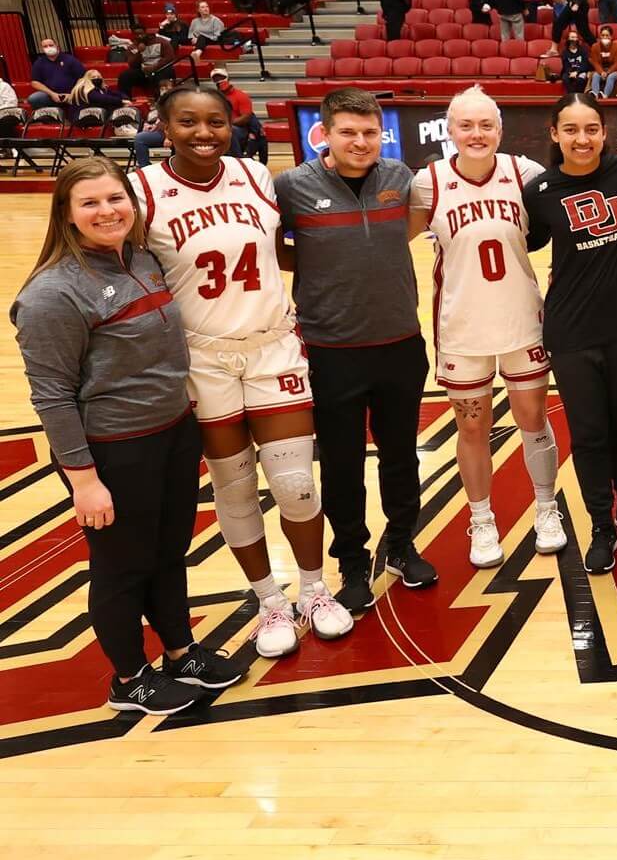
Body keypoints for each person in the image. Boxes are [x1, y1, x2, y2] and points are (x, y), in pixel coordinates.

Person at [12, 159, 248, 714]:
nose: (107, 211)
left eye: (115, 198)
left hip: (170, 433)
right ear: (66, 216)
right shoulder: (52, 294)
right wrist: (83, 479)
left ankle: (180, 652)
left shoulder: (141, 259)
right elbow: (50, 396)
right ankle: (128, 679)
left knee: (168, 554)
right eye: (89, 203)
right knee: (121, 568)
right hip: (114, 451)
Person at [131, 85, 351, 656]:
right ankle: (269, 602)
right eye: (187, 122)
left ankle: (313, 589)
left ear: (232, 125)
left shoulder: (256, 176)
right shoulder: (143, 193)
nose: (203, 133)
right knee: (233, 491)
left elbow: (288, 248)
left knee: (296, 485)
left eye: (215, 122)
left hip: (271, 347)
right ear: (164, 125)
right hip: (201, 358)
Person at [276, 88, 436, 610]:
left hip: (400, 343)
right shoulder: (292, 187)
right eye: (348, 132)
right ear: (323, 133)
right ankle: (349, 561)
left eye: (369, 132)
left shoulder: (400, 178)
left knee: (400, 457)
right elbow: (269, 245)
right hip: (330, 351)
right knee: (342, 465)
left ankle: (400, 544)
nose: (361, 141)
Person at [403, 87, 566, 569]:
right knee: (472, 427)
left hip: (522, 321)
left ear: (500, 129)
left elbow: (578, 206)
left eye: (486, 125)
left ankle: (545, 509)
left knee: (534, 421)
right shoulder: (427, 183)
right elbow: (387, 238)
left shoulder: (526, 174)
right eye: (466, 126)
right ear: (448, 131)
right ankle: (482, 519)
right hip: (463, 327)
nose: (476, 134)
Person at [523, 93, 617, 574]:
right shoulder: (539, 191)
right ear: (555, 134)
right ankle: (602, 524)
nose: (582, 139)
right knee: (589, 434)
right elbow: (525, 243)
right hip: (571, 330)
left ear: (605, 132)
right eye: (571, 130)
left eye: (592, 129)